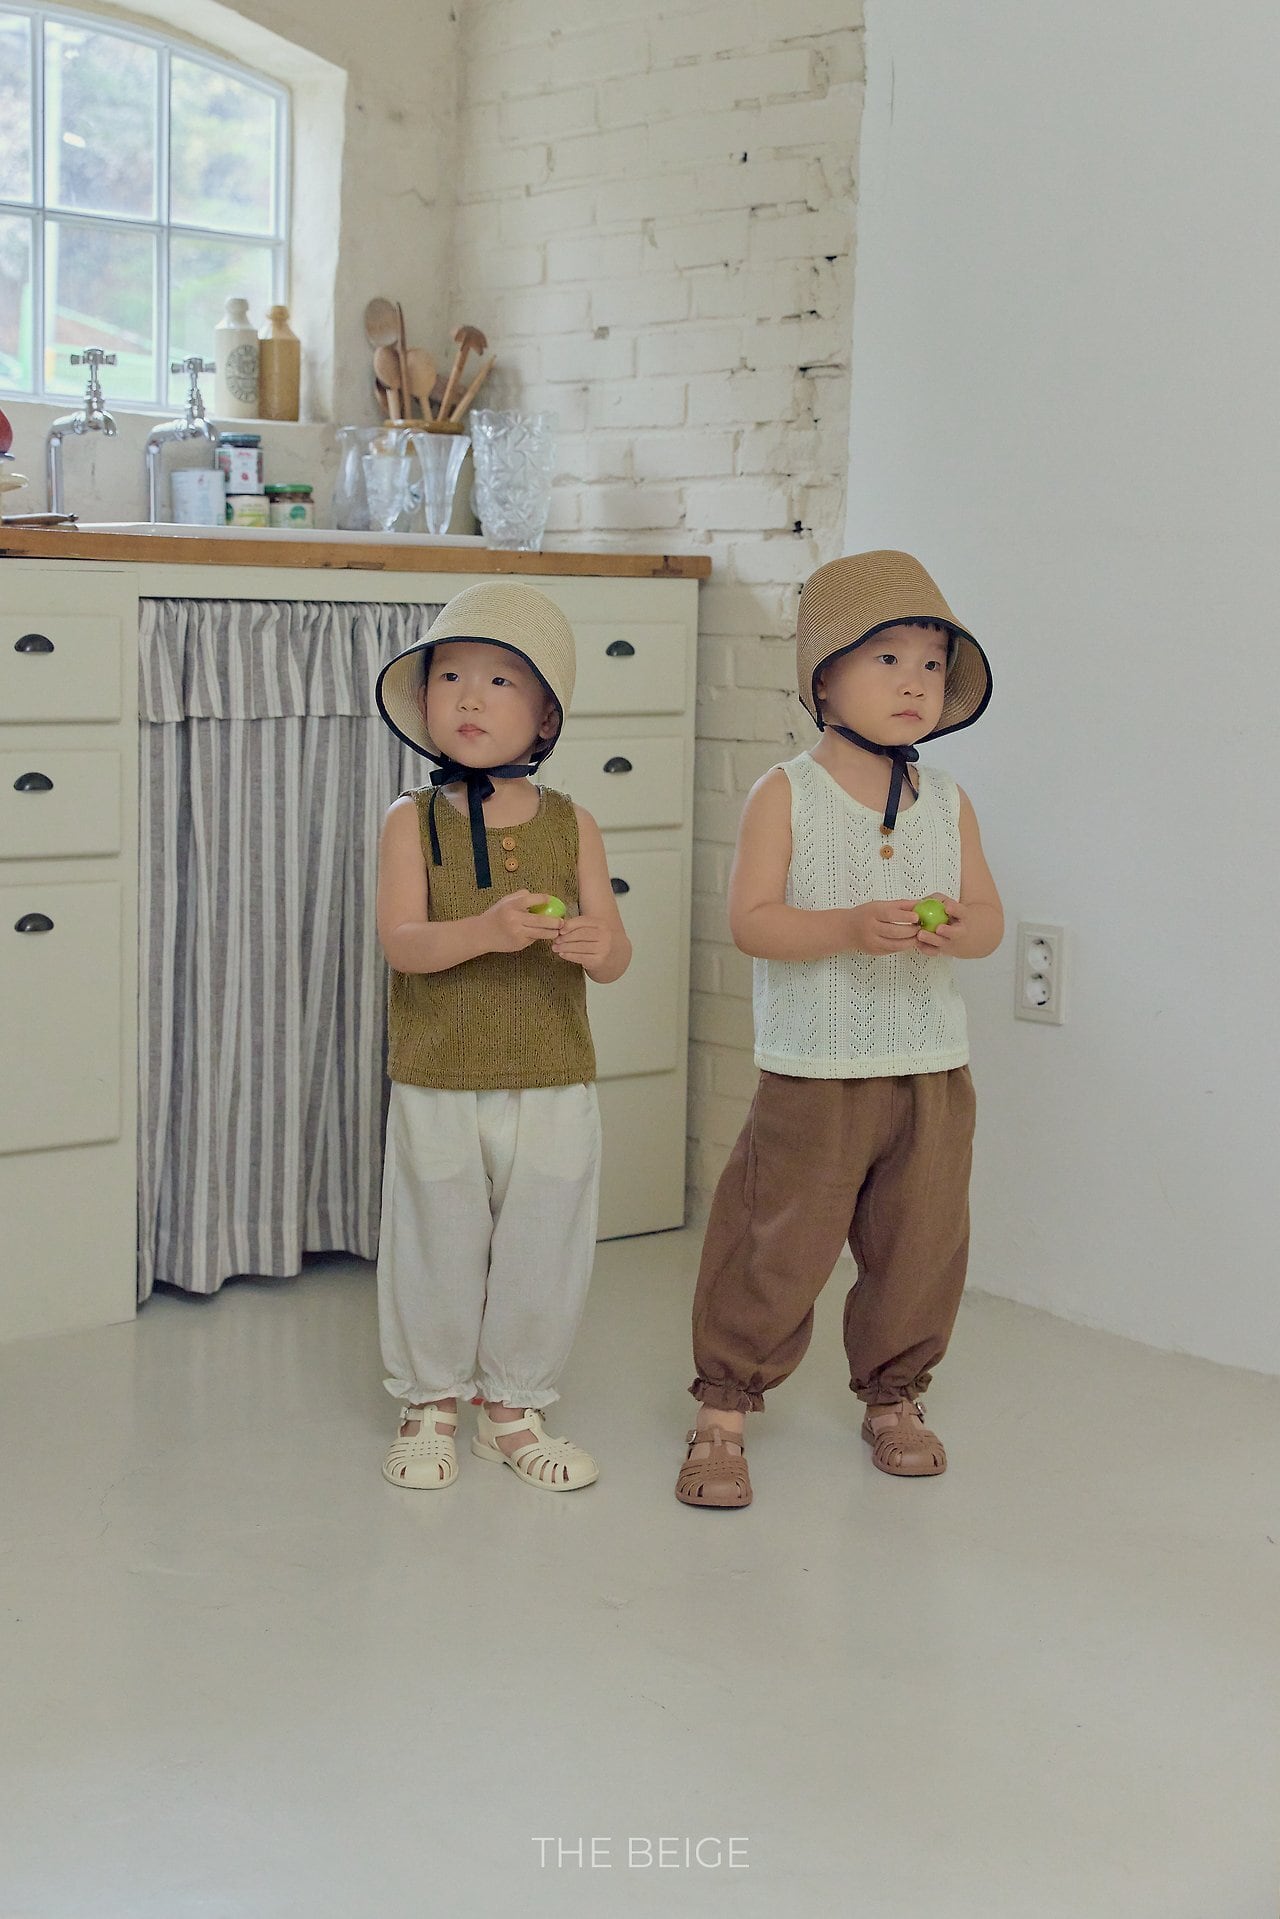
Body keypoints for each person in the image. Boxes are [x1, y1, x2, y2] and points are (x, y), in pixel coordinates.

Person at [675, 550, 1002, 1509]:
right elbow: (753, 922)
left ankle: (894, 1396)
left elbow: (988, 921)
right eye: (887, 658)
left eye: (932, 664)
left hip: (931, 1070)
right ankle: (723, 1408)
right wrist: (850, 928)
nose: (915, 681)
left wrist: (954, 926)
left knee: (920, 1245)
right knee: (774, 1244)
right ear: (824, 680)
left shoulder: (948, 802)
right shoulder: (788, 793)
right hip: (814, 1070)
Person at [373, 582, 631, 1492]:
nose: (470, 698)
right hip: (439, 1072)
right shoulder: (411, 820)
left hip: (553, 1072)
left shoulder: (573, 823)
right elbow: (403, 944)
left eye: (499, 680)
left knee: (543, 1239)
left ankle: (512, 1407)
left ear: (546, 715)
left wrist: (598, 946)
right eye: (451, 677)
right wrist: (485, 930)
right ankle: (430, 1401)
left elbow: (614, 953)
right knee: (435, 1236)